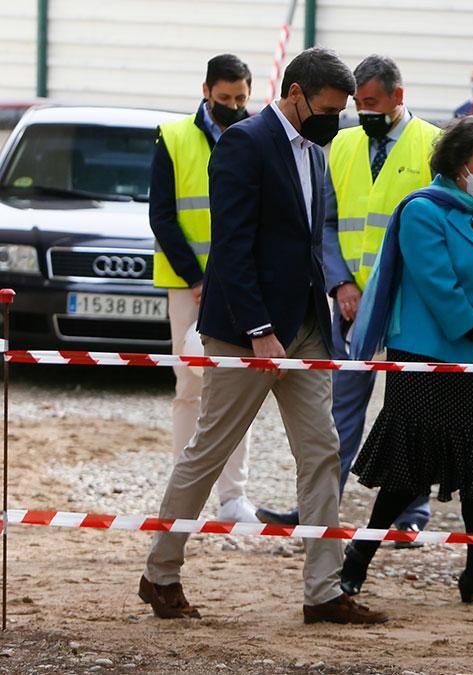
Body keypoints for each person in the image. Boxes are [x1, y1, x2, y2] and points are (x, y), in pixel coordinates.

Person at [138, 48, 386, 625]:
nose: (336, 120)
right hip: (245, 333)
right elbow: (232, 245)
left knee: (322, 452)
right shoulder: (244, 143)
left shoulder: (315, 150)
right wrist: (258, 329)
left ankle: (324, 591)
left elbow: (310, 240)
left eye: (342, 111)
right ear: (296, 94)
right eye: (328, 109)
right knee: (209, 450)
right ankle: (160, 573)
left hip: (306, 329)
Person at [254, 55, 440, 541]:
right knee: (338, 412)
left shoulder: (432, 145)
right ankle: (317, 507)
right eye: (359, 103)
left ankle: (411, 511)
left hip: (410, 307)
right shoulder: (342, 143)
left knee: (409, 413)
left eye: (373, 102)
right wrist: (340, 284)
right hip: (351, 306)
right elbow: (327, 221)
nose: (363, 111)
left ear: (399, 97)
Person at [341, 116, 473, 607]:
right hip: (426, 352)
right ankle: (358, 557)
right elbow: (437, 285)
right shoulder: (422, 210)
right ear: (458, 164)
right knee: (410, 467)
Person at [148, 54, 258, 524]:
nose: (233, 105)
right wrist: (196, 279)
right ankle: (185, 493)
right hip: (187, 285)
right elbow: (162, 215)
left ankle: (233, 496)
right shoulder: (173, 137)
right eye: (224, 97)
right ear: (206, 91)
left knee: (236, 389)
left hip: (240, 286)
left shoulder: (256, 136)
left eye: (241, 98)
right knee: (189, 386)